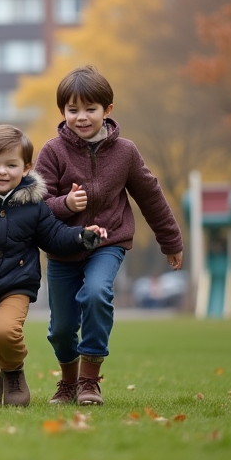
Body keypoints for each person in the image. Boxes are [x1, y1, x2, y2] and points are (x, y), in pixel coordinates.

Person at [36, 66, 183, 406]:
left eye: (90, 109)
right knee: (61, 329)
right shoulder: (52, 152)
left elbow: (150, 195)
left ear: (107, 110)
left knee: (97, 294)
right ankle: (68, 383)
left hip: (107, 243)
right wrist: (66, 204)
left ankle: (89, 381)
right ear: (63, 112)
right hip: (62, 246)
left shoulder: (126, 153)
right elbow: (37, 205)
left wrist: (171, 242)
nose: (82, 117)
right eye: (73, 110)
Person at [0, 125, 107, 406]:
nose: (1, 171)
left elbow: (54, 235)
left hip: (16, 283)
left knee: (6, 331)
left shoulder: (35, 206)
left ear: (26, 168)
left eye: (11, 165)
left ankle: (13, 373)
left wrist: (81, 236)